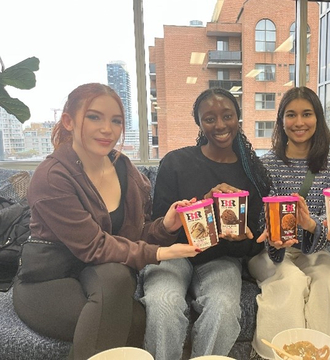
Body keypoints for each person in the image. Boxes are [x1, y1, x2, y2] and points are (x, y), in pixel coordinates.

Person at [13, 83, 200, 360]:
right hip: (50, 280)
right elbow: (94, 247)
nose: (107, 129)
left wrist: (166, 227)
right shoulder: (52, 176)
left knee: (116, 278)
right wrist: (160, 253)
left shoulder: (124, 169)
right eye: (94, 117)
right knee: (131, 319)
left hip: (104, 278)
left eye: (116, 121)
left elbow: (133, 235)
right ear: (68, 121)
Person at [141, 88, 272, 360]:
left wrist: (241, 239)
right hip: (174, 255)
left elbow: (252, 243)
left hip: (221, 258)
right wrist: (201, 208)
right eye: (209, 118)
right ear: (199, 122)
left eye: (227, 116)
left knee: (224, 308)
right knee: (162, 303)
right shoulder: (176, 162)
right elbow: (157, 227)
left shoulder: (250, 171)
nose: (220, 125)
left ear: (238, 118)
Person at [248, 86, 330, 359]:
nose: (299, 122)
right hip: (270, 251)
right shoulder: (265, 165)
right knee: (290, 281)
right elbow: (258, 217)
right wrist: (273, 236)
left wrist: (311, 225)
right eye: (291, 115)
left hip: (313, 249)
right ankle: (278, 354)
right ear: (281, 121)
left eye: (307, 114)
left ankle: (329, 355)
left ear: (318, 119)